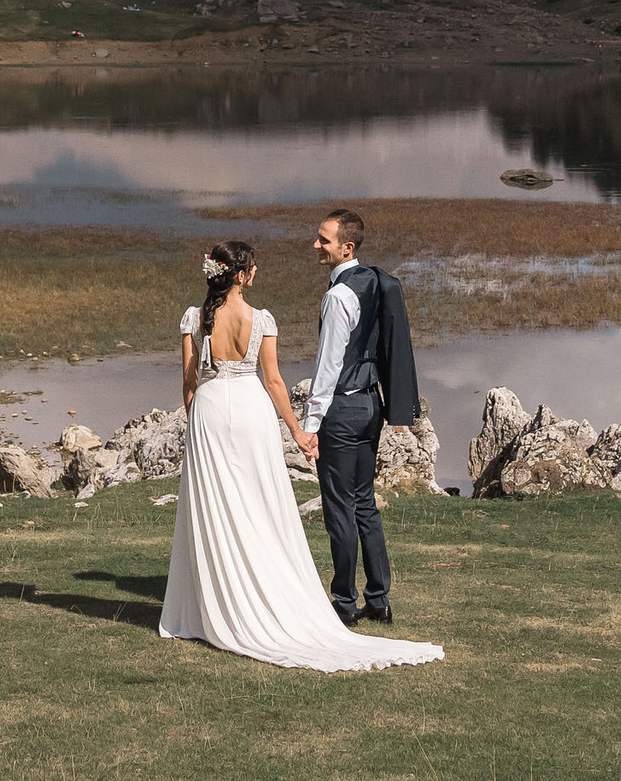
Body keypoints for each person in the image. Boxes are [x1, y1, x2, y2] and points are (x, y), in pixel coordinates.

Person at [157, 238, 442, 672]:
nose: (255, 273)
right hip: (253, 412)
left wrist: (197, 417)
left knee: (212, 507)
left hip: (210, 413)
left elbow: (189, 380)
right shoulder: (262, 319)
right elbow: (272, 382)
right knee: (260, 504)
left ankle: (212, 604)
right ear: (240, 275)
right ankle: (267, 592)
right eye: (251, 268)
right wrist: (297, 430)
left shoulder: (194, 318)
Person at [300, 209, 419, 625]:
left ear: (346, 247)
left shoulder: (337, 297)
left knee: (339, 508)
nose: (316, 245)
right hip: (372, 405)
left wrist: (310, 425)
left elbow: (328, 367)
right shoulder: (373, 280)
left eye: (324, 240)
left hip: (343, 410)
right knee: (364, 503)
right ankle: (380, 600)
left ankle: (344, 604)